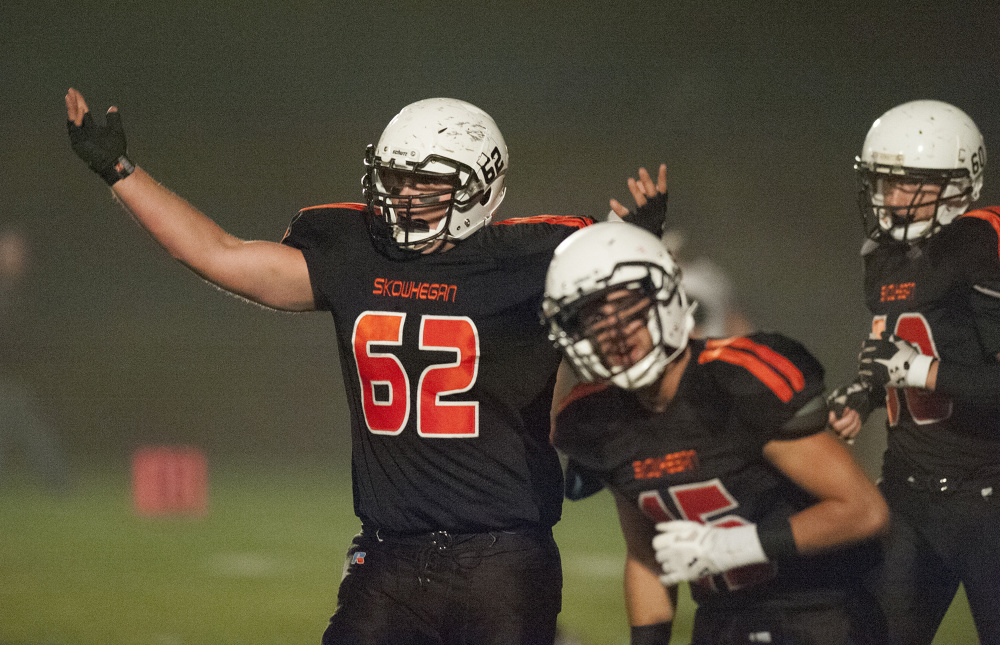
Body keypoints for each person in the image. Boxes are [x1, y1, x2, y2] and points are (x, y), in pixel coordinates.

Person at [65, 87, 667, 645]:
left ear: (480, 187)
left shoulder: (539, 262)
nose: (402, 195)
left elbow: (641, 333)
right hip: (388, 556)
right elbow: (216, 253)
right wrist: (120, 173)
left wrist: (632, 254)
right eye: (394, 178)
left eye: (423, 182)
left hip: (504, 558)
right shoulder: (359, 253)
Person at [543, 221, 889, 644]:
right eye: (593, 317)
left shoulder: (739, 380)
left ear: (666, 298)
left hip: (819, 610)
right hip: (721, 619)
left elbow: (862, 511)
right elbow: (646, 557)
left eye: (625, 306)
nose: (614, 330)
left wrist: (736, 547)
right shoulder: (602, 417)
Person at [827, 100, 1000, 645]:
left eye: (910, 186)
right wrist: (866, 391)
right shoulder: (882, 255)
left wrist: (922, 371)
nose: (892, 199)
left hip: (989, 499)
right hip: (907, 494)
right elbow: (897, 351)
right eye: (883, 183)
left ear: (959, 184)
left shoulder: (983, 243)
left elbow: (926, 364)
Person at [0, 227, 70, 492]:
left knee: (30, 429)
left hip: (11, 377)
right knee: (31, 430)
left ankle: (58, 483)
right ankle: (59, 484)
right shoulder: (6, 292)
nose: (18, 258)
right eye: (11, 252)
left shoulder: (19, 291)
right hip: (6, 377)